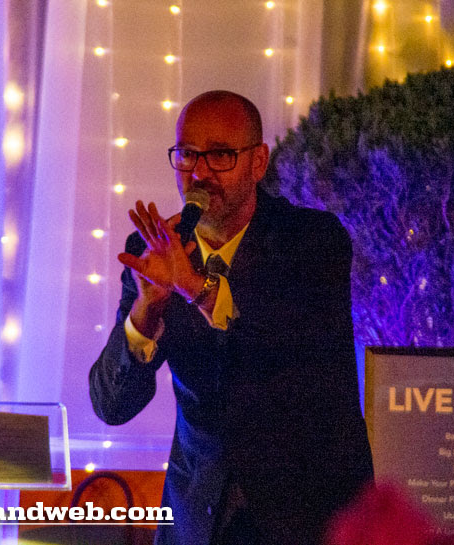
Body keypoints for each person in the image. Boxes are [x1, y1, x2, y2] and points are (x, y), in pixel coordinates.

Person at [89, 90, 374, 545]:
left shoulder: (313, 240)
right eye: (187, 155)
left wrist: (194, 286)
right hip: (196, 520)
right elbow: (112, 406)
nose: (200, 173)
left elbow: (278, 337)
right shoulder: (157, 250)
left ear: (258, 162)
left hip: (305, 517)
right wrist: (147, 309)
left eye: (220, 155)